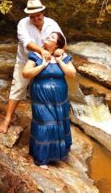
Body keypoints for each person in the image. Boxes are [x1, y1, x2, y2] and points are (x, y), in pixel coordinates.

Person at [0, 0, 65, 134]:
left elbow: (62, 42)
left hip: (45, 63)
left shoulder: (52, 24)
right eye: (32, 16)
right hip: (24, 61)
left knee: (42, 91)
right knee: (18, 87)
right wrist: (41, 51)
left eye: (38, 15)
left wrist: (61, 50)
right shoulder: (23, 24)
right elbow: (27, 43)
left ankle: (46, 122)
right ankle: (7, 120)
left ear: (42, 12)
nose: (35, 18)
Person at [23, 32, 76, 166]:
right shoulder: (35, 55)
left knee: (59, 122)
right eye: (48, 36)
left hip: (60, 98)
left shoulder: (63, 56)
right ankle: (42, 159)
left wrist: (58, 60)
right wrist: (42, 66)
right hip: (41, 97)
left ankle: (59, 154)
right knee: (45, 123)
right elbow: (26, 73)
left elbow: (71, 74)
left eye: (52, 37)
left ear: (57, 44)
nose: (47, 37)